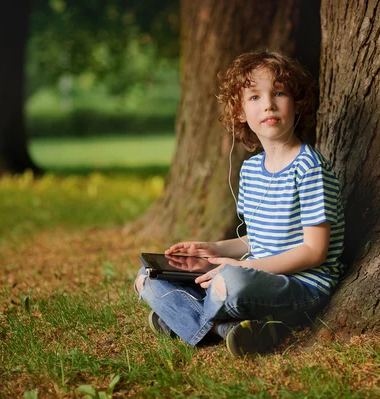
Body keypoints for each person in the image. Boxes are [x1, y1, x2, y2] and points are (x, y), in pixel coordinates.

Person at [134, 50, 346, 357]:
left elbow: (314, 252)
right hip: (255, 273)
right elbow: (256, 239)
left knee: (229, 281)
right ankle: (224, 328)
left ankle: (184, 319)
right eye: (255, 97)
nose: (269, 104)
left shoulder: (308, 168)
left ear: (296, 103)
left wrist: (241, 267)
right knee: (147, 280)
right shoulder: (251, 170)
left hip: (301, 287)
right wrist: (215, 249)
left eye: (279, 93)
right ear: (240, 112)